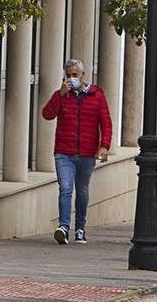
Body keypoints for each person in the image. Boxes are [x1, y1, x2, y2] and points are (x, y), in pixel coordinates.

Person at [41, 58, 112, 245]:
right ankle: (64, 227)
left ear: (83, 75)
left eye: (75, 75)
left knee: (82, 191)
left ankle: (80, 228)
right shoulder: (63, 95)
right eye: (68, 75)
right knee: (65, 189)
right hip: (64, 152)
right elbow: (47, 114)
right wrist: (59, 95)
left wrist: (104, 146)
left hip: (87, 153)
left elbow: (106, 122)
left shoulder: (96, 95)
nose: (71, 78)